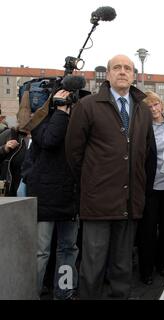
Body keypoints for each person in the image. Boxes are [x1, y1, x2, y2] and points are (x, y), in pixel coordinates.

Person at [65, 54, 153, 299]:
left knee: (123, 268)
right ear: (109, 74)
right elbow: (74, 154)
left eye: (128, 68)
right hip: (98, 204)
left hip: (129, 203)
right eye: (117, 68)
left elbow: (145, 154)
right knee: (92, 269)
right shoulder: (88, 106)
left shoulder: (143, 110)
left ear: (134, 74)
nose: (123, 71)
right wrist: (93, 182)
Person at [24, 89, 79, 300]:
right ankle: (32, 293)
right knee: (41, 252)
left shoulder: (73, 119)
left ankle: (64, 292)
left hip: (69, 196)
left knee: (67, 249)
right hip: (46, 196)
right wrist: (60, 111)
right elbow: (50, 139)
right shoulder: (41, 121)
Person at [136, 91, 164, 285]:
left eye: (156, 105)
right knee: (148, 231)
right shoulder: (141, 128)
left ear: (161, 105)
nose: (153, 109)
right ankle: (146, 271)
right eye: (149, 107)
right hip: (151, 186)